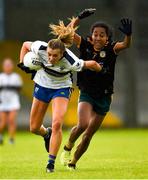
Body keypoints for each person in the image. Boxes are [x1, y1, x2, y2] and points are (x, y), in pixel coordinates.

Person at [18, 20, 103, 173]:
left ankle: (50, 163)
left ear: (62, 54)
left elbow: (90, 64)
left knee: (57, 123)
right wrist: (22, 63)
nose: (50, 58)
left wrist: (100, 69)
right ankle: (46, 133)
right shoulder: (40, 47)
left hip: (61, 88)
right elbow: (25, 44)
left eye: (55, 56)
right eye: (49, 55)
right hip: (42, 85)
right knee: (34, 128)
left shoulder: (72, 61)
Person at [60, 10, 132, 170]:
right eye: (95, 34)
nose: (98, 37)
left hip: (105, 95)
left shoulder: (112, 49)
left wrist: (128, 35)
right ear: (91, 36)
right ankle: (67, 147)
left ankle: (73, 163)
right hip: (86, 92)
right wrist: (78, 18)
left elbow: (126, 44)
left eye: (102, 35)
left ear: (107, 38)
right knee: (83, 124)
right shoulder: (84, 45)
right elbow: (67, 32)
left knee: (88, 135)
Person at [0, 58, 23, 144]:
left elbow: (19, 88)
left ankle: (11, 139)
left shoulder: (16, 77)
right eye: (6, 65)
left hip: (13, 101)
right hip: (2, 102)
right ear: (3, 67)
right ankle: (1, 135)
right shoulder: (1, 77)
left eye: (9, 65)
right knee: (2, 123)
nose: (8, 67)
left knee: (11, 120)